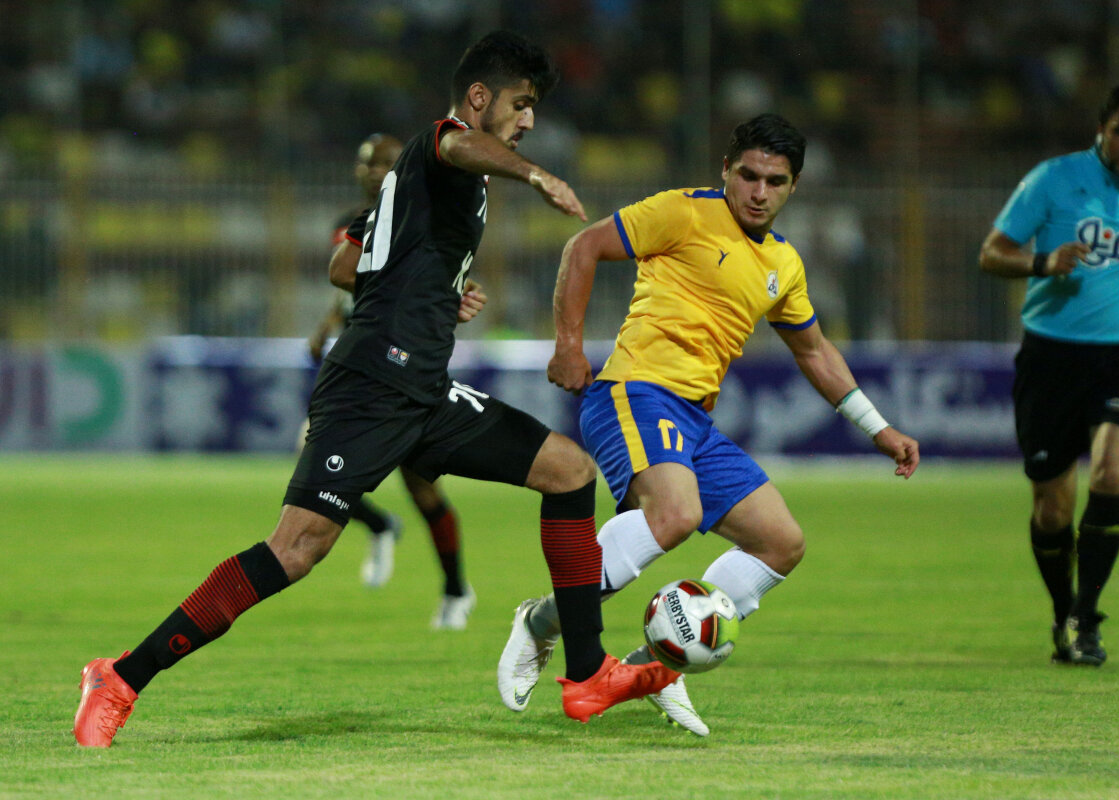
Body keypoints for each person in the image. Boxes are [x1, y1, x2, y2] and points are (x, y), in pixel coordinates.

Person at [74, 30, 678, 748]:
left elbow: (343, 264)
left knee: (569, 472)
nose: (529, 119)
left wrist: (431, 287)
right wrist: (535, 175)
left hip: (422, 389)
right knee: (296, 550)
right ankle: (119, 677)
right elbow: (458, 148)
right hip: (370, 384)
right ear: (478, 98)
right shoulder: (442, 145)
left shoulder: (433, 187)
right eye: (520, 104)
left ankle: (586, 675)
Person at [497, 113, 920, 736]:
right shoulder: (684, 211)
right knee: (676, 514)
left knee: (780, 542)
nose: (758, 192)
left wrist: (878, 428)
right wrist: (568, 346)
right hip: (635, 390)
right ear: (725, 170)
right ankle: (540, 623)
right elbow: (583, 246)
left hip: (694, 418)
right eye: (748, 175)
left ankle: (658, 664)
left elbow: (813, 351)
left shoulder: (784, 263)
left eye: (774, 181)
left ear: (793, 187)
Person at [979, 81, 1119, 666]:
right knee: (1052, 508)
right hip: (1050, 359)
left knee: (1110, 469)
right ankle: (1063, 611)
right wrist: (1042, 262)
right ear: (1101, 131)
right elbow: (992, 252)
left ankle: (1087, 616)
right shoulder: (1053, 179)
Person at [308, 132, 478, 631]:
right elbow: (351, 290)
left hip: (406, 366)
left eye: (385, 162)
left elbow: (437, 280)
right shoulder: (351, 223)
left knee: (422, 489)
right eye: (368, 162)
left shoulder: (421, 216)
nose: (375, 170)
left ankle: (455, 588)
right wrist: (326, 324)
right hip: (362, 365)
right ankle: (381, 525)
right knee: (311, 466)